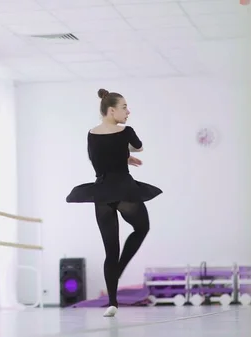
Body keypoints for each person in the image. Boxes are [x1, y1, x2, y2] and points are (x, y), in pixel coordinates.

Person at [66, 88, 162, 317]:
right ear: (111, 110)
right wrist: (127, 152)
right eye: (124, 107)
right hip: (125, 190)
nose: (128, 111)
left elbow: (97, 159)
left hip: (101, 193)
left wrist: (122, 155)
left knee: (110, 250)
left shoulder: (91, 133)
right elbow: (139, 146)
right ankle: (118, 270)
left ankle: (112, 303)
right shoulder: (126, 131)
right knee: (142, 228)